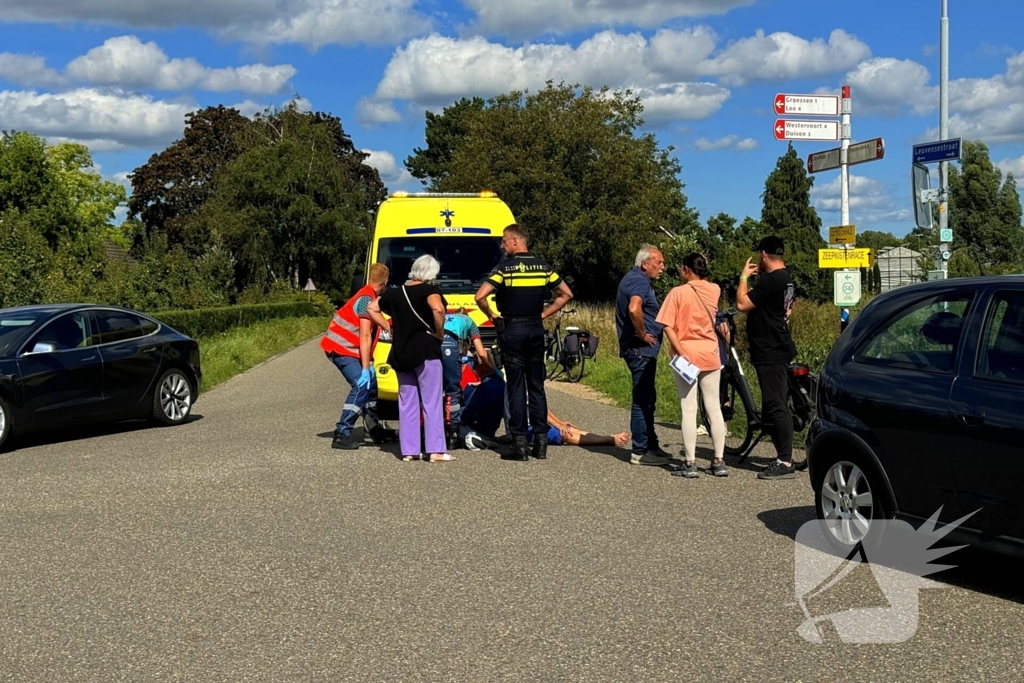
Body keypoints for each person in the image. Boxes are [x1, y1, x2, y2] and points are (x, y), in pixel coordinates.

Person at [475, 223, 573, 461]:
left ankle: (519, 444)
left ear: (516, 241)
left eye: (504, 240)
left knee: (516, 387)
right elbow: (566, 294)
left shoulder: (505, 268)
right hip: (535, 330)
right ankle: (541, 444)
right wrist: (543, 314)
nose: (502, 245)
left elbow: (480, 295)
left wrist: (491, 315)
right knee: (537, 387)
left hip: (513, 330)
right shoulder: (543, 267)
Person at [367, 254, 453, 463]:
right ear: (431, 274)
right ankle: (435, 451)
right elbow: (438, 308)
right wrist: (439, 333)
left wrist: (389, 327)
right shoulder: (430, 290)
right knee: (431, 402)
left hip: (400, 352)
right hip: (426, 351)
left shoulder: (396, 293)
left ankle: (409, 451)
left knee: (407, 402)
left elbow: (371, 308)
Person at [459, 351, 630, 450]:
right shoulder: (521, 386)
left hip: (528, 425)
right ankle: (609, 439)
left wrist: (560, 422)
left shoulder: (514, 381)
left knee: (567, 429)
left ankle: (607, 437)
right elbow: (537, 409)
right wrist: (559, 426)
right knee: (567, 436)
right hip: (524, 429)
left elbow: (541, 409)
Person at [656, 253, 728, 478]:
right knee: (713, 407)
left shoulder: (677, 293)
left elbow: (667, 325)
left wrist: (680, 350)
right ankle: (719, 460)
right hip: (710, 353)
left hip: (686, 354)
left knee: (688, 409)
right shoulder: (714, 289)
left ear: (686, 269)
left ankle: (690, 462)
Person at [736, 236, 798, 480]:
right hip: (780, 345)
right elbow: (787, 309)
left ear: (763, 254)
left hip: (769, 349)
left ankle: (784, 461)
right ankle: (782, 454)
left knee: (775, 404)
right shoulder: (787, 279)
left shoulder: (771, 281)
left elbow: (742, 304)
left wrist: (743, 278)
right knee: (776, 402)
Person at [321, 263, 390, 450]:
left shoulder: (367, 295)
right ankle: (342, 433)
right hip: (341, 349)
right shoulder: (367, 300)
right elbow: (365, 335)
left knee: (372, 385)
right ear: (385, 282)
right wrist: (366, 368)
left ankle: (374, 429)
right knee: (361, 385)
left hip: (346, 349)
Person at [615, 244, 672, 466]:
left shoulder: (636, 279)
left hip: (642, 351)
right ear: (645, 263)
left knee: (649, 398)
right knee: (642, 399)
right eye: (659, 263)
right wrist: (643, 334)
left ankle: (651, 445)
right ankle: (640, 451)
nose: (663, 267)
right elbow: (633, 308)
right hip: (640, 350)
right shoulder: (638, 281)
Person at [441, 307, 489, 451]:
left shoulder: (446, 317)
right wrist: (489, 371)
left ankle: (429, 432)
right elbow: (481, 352)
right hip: (449, 345)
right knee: (453, 390)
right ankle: (453, 435)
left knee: (433, 389)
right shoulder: (470, 322)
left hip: (430, 344)